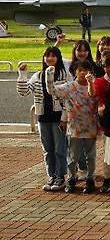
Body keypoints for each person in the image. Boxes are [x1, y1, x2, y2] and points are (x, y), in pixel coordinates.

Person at [17, 47, 71, 192]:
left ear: (58, 58)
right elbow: (23, 92)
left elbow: (68, 99)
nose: (50, 59)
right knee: (47, 149)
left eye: (53, 56)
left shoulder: (64, 75)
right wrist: (22, 74)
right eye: (47, 56)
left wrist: (65, 118)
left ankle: (60, 176)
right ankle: (51, 176)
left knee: (60, 148)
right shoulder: (37, 76)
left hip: (58, 117)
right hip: (42, 118)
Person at [47, 60, 98, 194]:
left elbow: (93, 94)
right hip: (74, 128)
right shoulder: (69, 87)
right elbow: (52, 91)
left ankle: (90, 179)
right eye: (80, 70)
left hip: (91, 128)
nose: (83, 72)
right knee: (72, 157)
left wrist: (91, 83)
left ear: (90, 72)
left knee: (91, 156)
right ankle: (71, 179)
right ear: (74, 72)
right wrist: (49, 77)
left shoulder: (94, 85)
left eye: (86, 70)